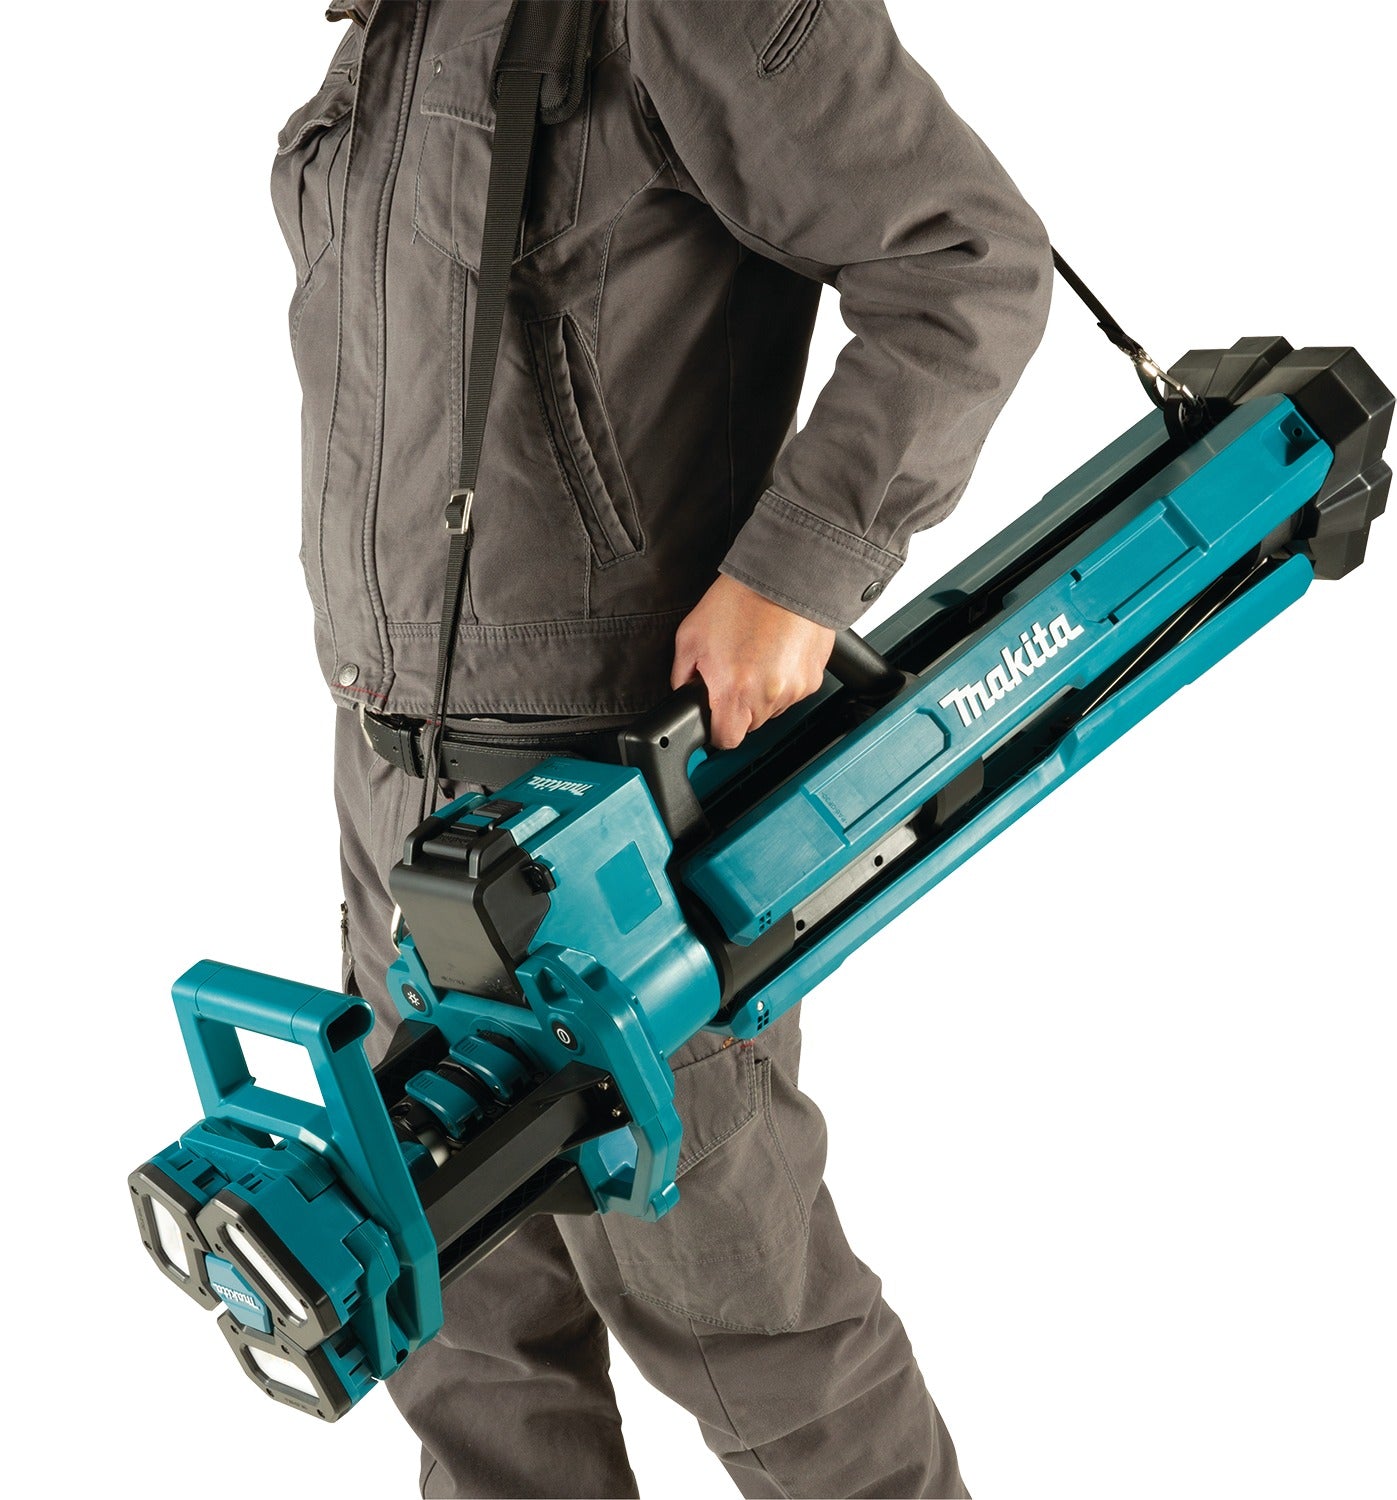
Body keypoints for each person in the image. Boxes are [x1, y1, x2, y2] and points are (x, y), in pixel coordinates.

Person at [273, 2, 1050, 1494]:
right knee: (466, 1336)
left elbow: (967, 261)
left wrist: (798, 570)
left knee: (745, 1328)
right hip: (390, 774)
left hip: (608, 805)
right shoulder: (393, 21)